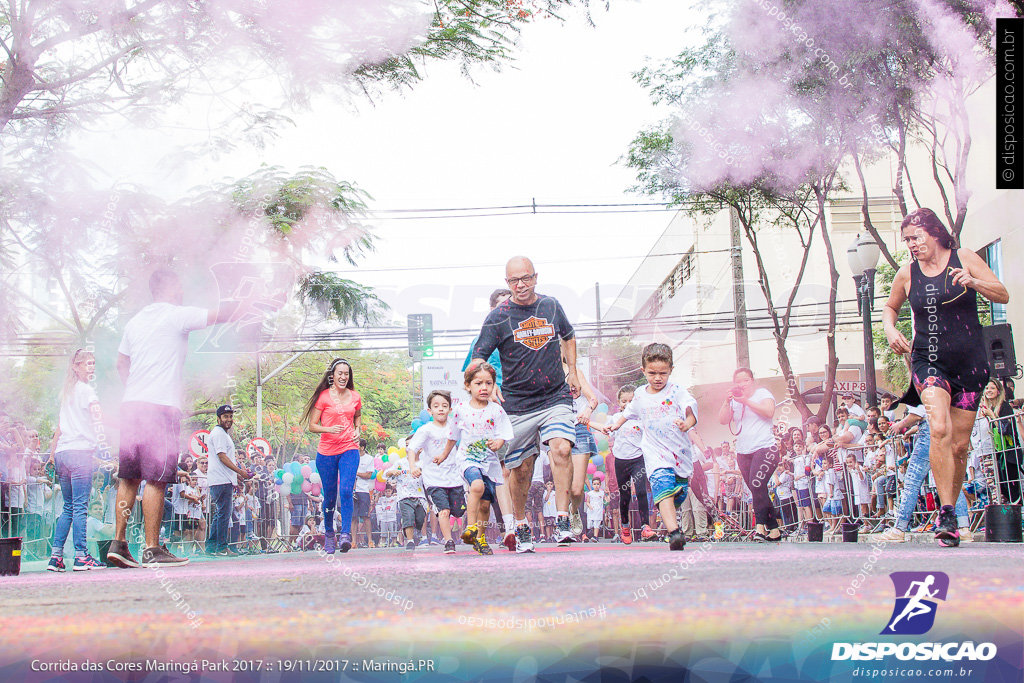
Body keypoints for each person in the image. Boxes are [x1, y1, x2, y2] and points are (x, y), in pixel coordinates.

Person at [109, 268, 274, 569]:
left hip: (132, 406)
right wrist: (253, 302)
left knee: (129, 476)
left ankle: (118, 543)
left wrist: (135, 390)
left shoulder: (135, 321)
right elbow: (219, 315)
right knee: (157, 479)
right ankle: (151, 548)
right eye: (179, 284)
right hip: (160, 407)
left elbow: (121, 363)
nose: (182, 289)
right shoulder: (175, 315)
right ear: (168, 285)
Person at [883, 208, 1009, 546]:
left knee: (958, 445)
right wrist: (889, 328)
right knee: (938, 426)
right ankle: (948, 512)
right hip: (929, 361)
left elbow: (1002, 293)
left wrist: (974, 281)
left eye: (915, 237)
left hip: (970, 363)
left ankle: (951, 513)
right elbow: (890, 307)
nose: (910, 244)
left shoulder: (964, 257)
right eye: (906, 239)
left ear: (934, 231)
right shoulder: (907, 274)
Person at [469, 256, 581, 551]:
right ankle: (520, 524)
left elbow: (568, 337)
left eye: (526, 278)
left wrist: (572, 372)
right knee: (521, 470)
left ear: (535, 277)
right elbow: (478, 357)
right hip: (517, 404)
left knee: (561, 448)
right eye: (514, 280)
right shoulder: (498, 317)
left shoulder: (551, 306)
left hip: (554, 395)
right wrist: (489, 385)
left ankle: (562, 519)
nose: (520, 285)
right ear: (507, 283)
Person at [604, 343, 698, 551]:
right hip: (654, 454)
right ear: (643, 371)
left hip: (679, 455)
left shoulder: (677, 392)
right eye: (652, 373)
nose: (657, 378)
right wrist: (615, 425)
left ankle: (668, 514)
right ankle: (675, 533)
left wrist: (687, 424)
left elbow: (691, 412)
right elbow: (628, 413)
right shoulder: (640, 394)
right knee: (662, 484)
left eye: (663, 373)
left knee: (679, 494)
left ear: (671, 370)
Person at [436, 362, 514, 556]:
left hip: (489, 462)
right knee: (477, 486)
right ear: (468, 385)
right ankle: (470, 528)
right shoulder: (460, 410)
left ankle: (480, 537)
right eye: (479, 383)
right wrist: (444, 455)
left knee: (485, 504)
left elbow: (504, 432)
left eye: (489, 383)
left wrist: (498, 442)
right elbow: (452, 436)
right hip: (467, 459)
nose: (484, 388)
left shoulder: (496, 410)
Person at [47, 348, 105, 572]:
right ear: (76, 366)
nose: (91, 367)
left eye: (93, 363)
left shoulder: (67, 393)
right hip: (80, 452)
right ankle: (82, 556)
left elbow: (60, 428)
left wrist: (52, 454)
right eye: (87, 363)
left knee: (69, 507)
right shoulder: (87, 391)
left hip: (64, 453)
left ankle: (56, 557)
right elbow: (97, 417)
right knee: (80, 506)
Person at [302, 358, 362, 554]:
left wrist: (358, 429)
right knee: (329, 497)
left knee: (345, 491)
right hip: (326, 453)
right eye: (340, 373)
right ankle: (329, 534)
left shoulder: (354, 396)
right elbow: (312, 425)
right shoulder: (324, 397)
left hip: (349, 449)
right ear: (333, 376)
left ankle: (345, 535)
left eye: (346, 374)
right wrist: (329, 428)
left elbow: (358, 415)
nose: (343, 377)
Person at [718, 367, 780, 542]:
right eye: (738, 382)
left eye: (745, 380)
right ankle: (774, 529)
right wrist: (727, 401)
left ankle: (759, 527)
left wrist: (745, 401)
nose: (742, 384)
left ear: (752, 380)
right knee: (756, 488)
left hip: (765, 449)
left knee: (757, 483)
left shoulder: (762, 393)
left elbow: (769, 411)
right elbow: (723, 420)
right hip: (744, 452)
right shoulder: (735, 401)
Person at [408, 390, 465, 555]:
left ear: (450, 409)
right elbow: (412, 449)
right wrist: (413, 467)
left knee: (459, 511)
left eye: (444, 406)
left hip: (454, 478)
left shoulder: (455, 428)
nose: (441, 409)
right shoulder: (426, 430)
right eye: (436, 406)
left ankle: (450, 521)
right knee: (443, 510)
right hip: (433, 479)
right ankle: (449, 541)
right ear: (430, 411)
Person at [610, 385, 654, 544]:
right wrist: (587, 422)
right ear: (619, 402)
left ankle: (645, 526)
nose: (627, 404)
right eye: (624, 401)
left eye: (631, 401)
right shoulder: (615, 418)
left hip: (638, 459)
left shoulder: (642, 419)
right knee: (625, 495)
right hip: (621, 460)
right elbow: (605, 429)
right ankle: (625, 527)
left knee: (642, 491)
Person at [204, 405, 250, 556]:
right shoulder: (219, 434)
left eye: (230, 416)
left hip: (223, 479)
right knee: (223, 515)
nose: (229, 419)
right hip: (220, 480)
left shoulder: (223, 434)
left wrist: (236, 475)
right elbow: (222, 456)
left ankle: (211, 547)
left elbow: (225, 458)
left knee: (220, 514)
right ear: (218, 418)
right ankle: (222, 547)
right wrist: (240, 471)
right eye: (225, 416)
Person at [566, 361, 601, 540]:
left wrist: (588, 411)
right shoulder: (543, 374)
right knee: (562, 483)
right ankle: (562, 522)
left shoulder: (575, 372)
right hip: (556, 428)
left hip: (579, 430)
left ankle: (573, 512)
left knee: (577, 489)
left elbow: (593, 399)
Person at [980, 378, 1022, 504]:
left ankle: (1020, 512)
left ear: (998, 391)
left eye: (992, 388)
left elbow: (1006, 429)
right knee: (1002, 486)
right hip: (999, 453)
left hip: (1010, 452)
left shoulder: (1004, 407)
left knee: (1012, 486)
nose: (989, 391)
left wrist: (992, 416)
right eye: (987, 388)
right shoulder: (989, 408)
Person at [383, 450, 429, 552]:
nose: (409, 448)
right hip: (404, 496)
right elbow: (385, 474)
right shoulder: (400, 463)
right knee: (408, 517)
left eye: (411, 445)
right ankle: (410, 541)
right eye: (407, 445)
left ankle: (412, 531)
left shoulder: (423, 463)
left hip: (420, 496)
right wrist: (392, 472)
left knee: (420, 519)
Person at [353, 438, 375, 548]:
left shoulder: (369, 459)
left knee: (365, 516)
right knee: (353, 517)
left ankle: (370, 541)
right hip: (352, 491)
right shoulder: (350, 457)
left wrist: (356, 473)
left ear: (362, 447)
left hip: (363, 491)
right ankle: (353, 542)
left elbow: (368, 475)